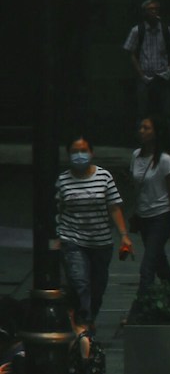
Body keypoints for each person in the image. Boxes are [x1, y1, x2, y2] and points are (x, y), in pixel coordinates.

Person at [52, 136, 130, 324]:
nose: (80, 155)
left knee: (98, 287)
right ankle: (84, 323)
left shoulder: (104, 177)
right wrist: (56, 238)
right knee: (80, 282)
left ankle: (89, 315)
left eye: (83, 150)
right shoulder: (63, 181)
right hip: (73, 239)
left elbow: (114, 206)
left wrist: (124, 236)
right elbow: (57, 210)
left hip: (101, 242)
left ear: (91, 152)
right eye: (75, 152)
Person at [126, 116, 170, 301]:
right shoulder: (135, 156)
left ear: (156, 133)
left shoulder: (165, 160)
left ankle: (139, 310)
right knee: (159, 262)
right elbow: (136, 188)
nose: (142, 131)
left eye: (147, 128)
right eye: (141, 127)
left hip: (161, 216)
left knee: (147, 267)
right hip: (143, 217)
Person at [123, 0, 170, 104]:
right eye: (150, 9)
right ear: (144, 12)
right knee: (143, 109)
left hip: (162, 77)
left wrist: (169, 70)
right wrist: (141, 74)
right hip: (145, 77)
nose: (154, 11)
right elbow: (130, 52)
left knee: (165, 109)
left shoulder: (166, 30)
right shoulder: (137, 30)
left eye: (156, 9)